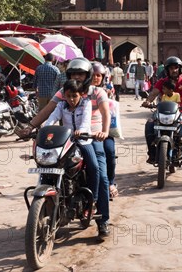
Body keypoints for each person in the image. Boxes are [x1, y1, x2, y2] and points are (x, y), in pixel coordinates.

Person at [27, 58, 111, 239]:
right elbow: (48, 111)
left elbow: (105, 113)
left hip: (91, 137)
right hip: (66, 139)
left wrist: (103, 132)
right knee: (51, 165)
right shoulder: (63, 94)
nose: (77, 77)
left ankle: (102, 217)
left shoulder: (96, 93)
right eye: (73, 74)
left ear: (88, 76)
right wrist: (32, 127)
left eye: (81, 74)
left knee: (101, 174)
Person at [142, 56, 182, 164]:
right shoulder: (162, 82)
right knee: (149, 125)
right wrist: (148, 101)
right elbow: (153, 94)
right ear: (167, 70)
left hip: (181, 111)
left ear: (180, 69)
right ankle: (152, 153)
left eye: (176, 68)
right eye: (171, 68)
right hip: (162, 112)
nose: (174, 70)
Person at [92, 62, 119, 199]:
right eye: (93, 75)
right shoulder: (80, 91)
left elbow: (110, 113)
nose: (96, 78)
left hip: (103, 129)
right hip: (86, 131)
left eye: (99, 75)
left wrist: (105, 130)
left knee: (109, 151)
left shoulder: (107, 90)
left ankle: (110, 182)